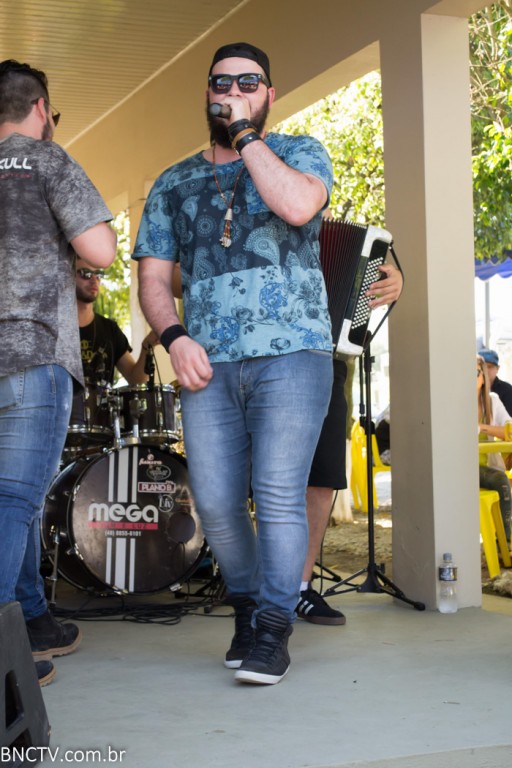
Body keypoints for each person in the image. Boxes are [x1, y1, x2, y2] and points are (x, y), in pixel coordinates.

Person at [133, 42, 334, 685]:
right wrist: (173, 336)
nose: (234, 92)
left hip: (293, 355)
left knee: (277, 495)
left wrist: (246, 135)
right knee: (218, 504)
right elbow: (153, 278)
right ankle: (247, 607)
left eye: (250, 83)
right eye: (222, 84)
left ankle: (274, 627)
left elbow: (298, 207)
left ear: (269, 94)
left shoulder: (300, 152)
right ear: (207, 93)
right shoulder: (173, 182)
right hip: (209, 365)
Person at [0, 60, 117, 686]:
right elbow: (101, 250)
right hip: (31, 353)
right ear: (41, 108)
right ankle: (2, 661)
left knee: (7, 502)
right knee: (14, 502)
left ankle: (32, 618)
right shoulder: (46, 160)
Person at [296, 267, 403, 625]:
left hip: (331, 360)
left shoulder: (345, 240)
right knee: (272, 480)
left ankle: (300, 587)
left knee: (323, 479)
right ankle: (263, 587)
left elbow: (382, 270)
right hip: (270, 357)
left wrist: (396, 280)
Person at [75, 257, 158, 385]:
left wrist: (147, 346)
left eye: (98, 274)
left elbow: (136, 380)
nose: (94, 280)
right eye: (86, 274)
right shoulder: (54, 328)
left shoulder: (109, 329)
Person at [477, 355, 512, 541]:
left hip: (487, 467)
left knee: (501, 479)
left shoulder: (492, 400)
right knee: (501, 480)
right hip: (459, 467)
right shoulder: (453, 403)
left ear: (483, 377)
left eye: (475, 373)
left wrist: (481, 427)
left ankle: (505, 542)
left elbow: (509, 430)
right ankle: (506, 542)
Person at [479, 348, 512, 417]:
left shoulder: (507, 390)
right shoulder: (471, 390)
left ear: (497, 368)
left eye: (489, 366)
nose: (486, 370)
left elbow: (508, 421)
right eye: (482, 367)